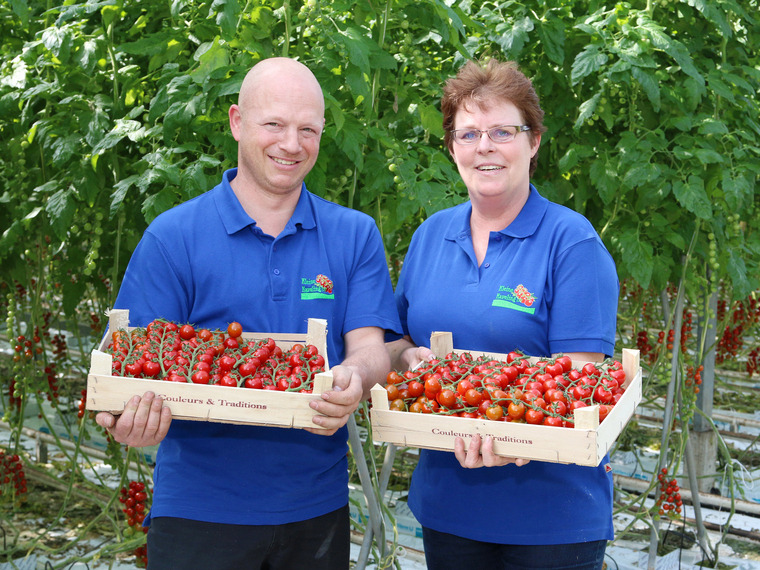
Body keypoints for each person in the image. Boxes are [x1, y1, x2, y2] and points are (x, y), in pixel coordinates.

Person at [95, 57, 402, 570]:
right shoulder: (174, 237)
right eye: (274, 124)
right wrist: (124, 420)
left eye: (308, 129)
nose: (291, 144)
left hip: (316, 511)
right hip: (198, 512)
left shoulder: (354, 235)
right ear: (237, 122)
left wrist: (354, 376)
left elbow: (369, 348)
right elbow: (129, 366)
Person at [387, 59, 619, 569]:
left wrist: (518, 435)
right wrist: (411, 360)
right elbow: (394, 339)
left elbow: (581, 383)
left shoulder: (571, 243)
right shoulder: (431, 236)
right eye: (468, 133)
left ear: (533, 142)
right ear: (452, 148)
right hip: (448, 508)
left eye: (502, 131)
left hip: (551, 521)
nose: (484, 146)